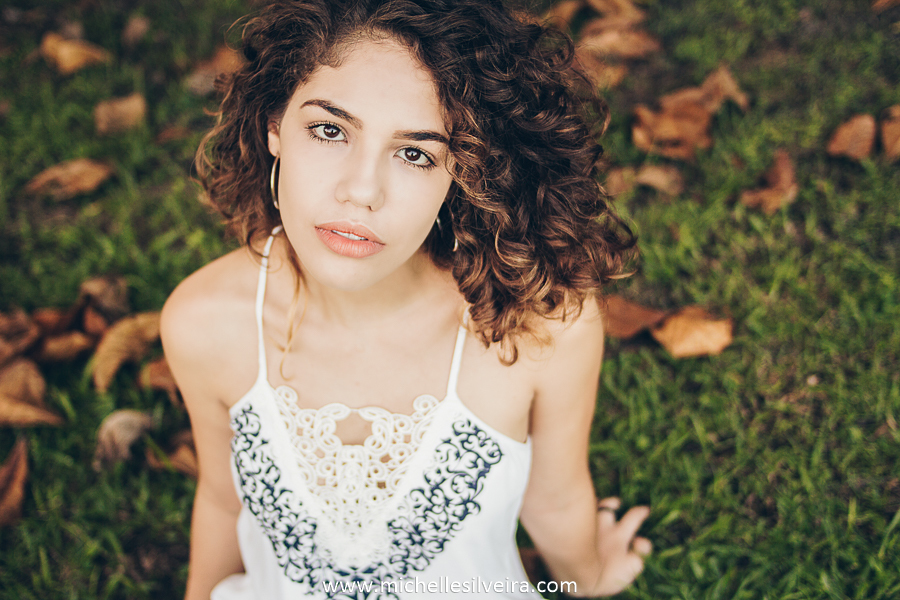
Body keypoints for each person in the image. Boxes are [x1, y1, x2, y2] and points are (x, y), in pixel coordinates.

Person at [161, 0, 651, 598]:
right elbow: (220, 496)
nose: (361, 191)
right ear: (273, 128)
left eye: (415, 153)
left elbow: (555, 499)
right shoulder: (203, 323)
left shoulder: (539, 323)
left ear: (463, 174)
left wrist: (589, 578)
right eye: (329, 129)